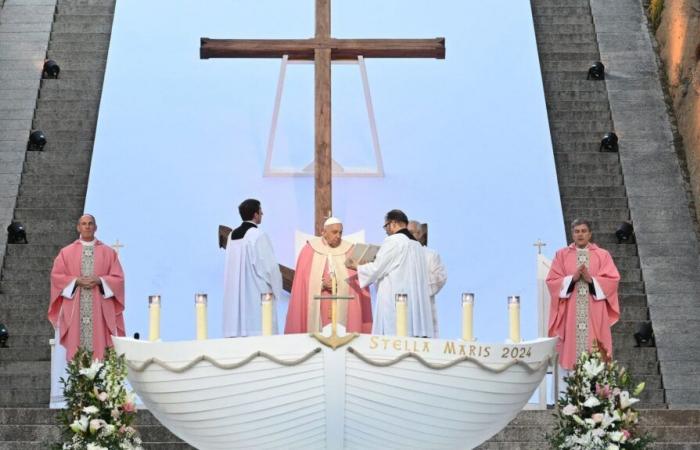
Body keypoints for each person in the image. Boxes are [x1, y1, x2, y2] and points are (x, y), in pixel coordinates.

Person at [48, 214, 125, 361]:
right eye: (84, 224)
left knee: (100, 353)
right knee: (76, 352)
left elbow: (118, 279)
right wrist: (76, 281)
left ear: (95, 227)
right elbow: (56, 277)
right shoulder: (66, 252)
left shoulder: (108, 252)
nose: (87, 227)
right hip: (75, 309)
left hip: (99, 310)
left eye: (90, 224)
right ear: (78, 227)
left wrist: (100, 280)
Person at [546, 218, 620, 370]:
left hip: (595, 310)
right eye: (576, 231)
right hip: (571, 311)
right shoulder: (561, 255)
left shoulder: (602, 255)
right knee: (573, 351)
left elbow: (613, 280)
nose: (580, 234)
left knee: (596, 351)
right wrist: (571, 279)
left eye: (584, 231)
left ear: (590, 234)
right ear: (572, 234)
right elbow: (552, 281)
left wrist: (591, 280)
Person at [349, 209, 434, 337]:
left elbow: (378, 268)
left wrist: (358, 266)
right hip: (413, 305)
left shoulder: (393, 241)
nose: (385, 230)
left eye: (386, 226)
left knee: (392, 336)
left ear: (393, 224)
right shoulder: (417, 246)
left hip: (395, 300)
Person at [285, 217, 372, 334]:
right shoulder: (309, 250)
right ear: (324, 232)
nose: (338, 236)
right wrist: (321, 284)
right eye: (334, 232)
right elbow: (303, 281)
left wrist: (339, 283)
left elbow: (357, 280)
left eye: (340, 232)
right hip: (319, 303)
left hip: (344, 304)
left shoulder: (350, 250)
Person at [223, 199, 283, 337]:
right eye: (260, 211)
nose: (262, 213)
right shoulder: (258, 235)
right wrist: (276, 290)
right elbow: (270, 267)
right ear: (255, 215)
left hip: (236, 301)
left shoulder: (232, 236)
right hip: (257, 297)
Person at [408, 220, 447, 337]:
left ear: (420, 234)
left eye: (412, 233)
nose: (408, 236)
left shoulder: (431, 255)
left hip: (425, 308)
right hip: (404, 306)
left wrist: (416, 284)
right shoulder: (400, 253)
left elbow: (440, 277)